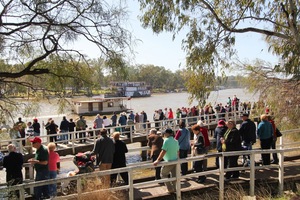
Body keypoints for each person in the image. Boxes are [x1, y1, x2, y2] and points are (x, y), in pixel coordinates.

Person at [154, 128, 179, 193]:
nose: (164, 134)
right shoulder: (175, 141)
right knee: (174, 176)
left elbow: (163, 151)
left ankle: (169, 189)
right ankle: (175, 189)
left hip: (169, 161)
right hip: (175, 160)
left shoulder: (166, 140)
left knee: (163, 174)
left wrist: (157, 160)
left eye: (165, 133)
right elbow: (178, 151)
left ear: (168, 134)